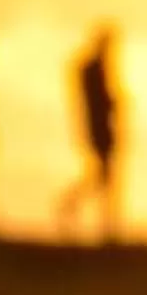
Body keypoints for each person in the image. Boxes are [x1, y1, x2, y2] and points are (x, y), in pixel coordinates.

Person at [54, 24, 121, 241]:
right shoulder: (95, 68)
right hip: (98, 128)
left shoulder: (96, 67)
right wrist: (114, 103)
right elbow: (99, 101)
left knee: (103, 177)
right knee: (105, 176)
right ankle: (102, 223)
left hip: (99, 127)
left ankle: (101, 220)